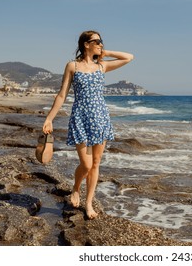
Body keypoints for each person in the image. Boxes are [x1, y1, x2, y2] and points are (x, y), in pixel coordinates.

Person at [42, 30, 134, 219]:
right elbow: (62, 95)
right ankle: (76, 188)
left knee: (96, 163)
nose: (100, 44)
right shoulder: (73, 66)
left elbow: (129, 57)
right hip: (80, 117)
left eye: (101, 41)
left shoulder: (102, 66)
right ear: (86, 44)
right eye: (97, 41)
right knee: (86, 163)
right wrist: (49, 118)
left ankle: (89, 203)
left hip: (100, 117)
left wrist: (105, 53)